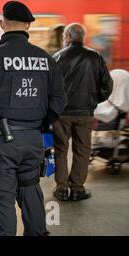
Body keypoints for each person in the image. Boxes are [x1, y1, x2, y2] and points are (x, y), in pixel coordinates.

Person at [0, 1, 65, 236]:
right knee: (31, 191)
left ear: (2, 24)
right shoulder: (45, 59)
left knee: (0, 197)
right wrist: (39, 126)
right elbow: (59, 100)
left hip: (2, 141)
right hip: (33, 141)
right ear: (28, 26)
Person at [52, 23, 113, 201]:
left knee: (60, 149)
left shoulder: (56, 57)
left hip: (61, 113)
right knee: (82, 150)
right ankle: (77, 188)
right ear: (82, 37)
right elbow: (107, 85)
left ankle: (62, 188)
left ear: (69, 37)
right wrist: (94, 100)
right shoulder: (95, 56)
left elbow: (49, 86)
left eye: (64, 36)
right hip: (85, 113)